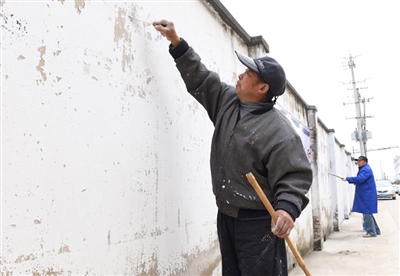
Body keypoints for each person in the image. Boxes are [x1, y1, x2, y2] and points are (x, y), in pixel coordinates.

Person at [153, 20, 312, 276]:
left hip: (259, 224)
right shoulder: (227, 101)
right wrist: (176, 41)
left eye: (249, 74)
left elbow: (295, 175)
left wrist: (286, 209)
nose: (240, 74)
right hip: (227, 215)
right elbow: (202, 79)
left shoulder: (279, 132)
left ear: (262, 88)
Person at [343, 156, 380, 237]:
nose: (358, 163)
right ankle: (376, 230)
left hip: (367, 195)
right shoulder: (364, 169)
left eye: (359, 161)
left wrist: (348, 179)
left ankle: (371, 232)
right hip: (366, 194)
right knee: (368, 212)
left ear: (364, 161)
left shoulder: (366, 169)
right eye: (358, 161)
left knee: (366, 212)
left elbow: (360, 179)